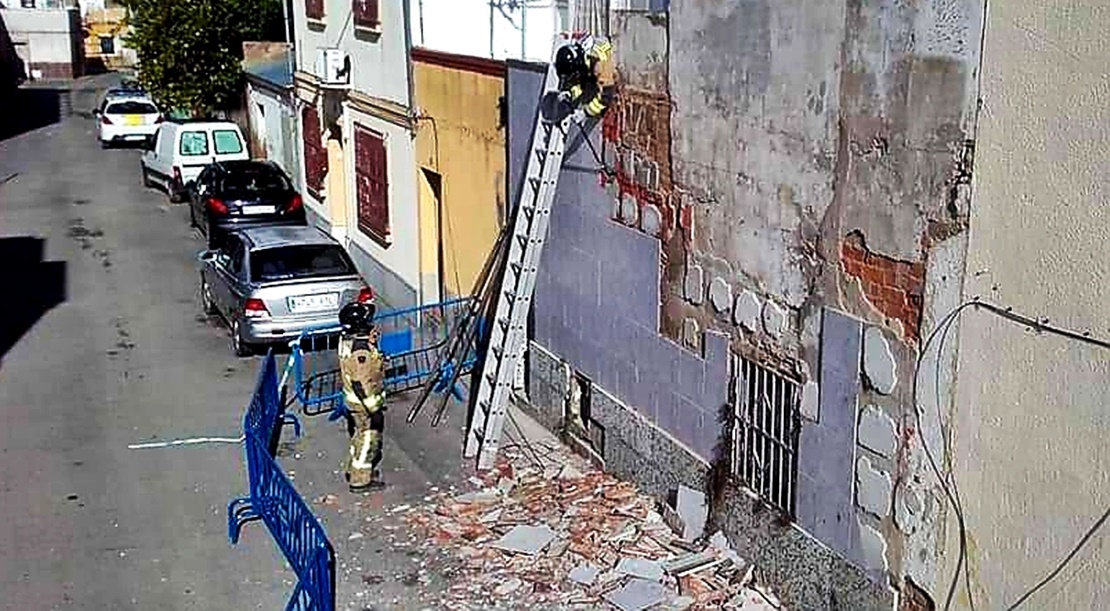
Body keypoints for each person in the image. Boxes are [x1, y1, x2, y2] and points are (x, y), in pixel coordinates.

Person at [337, 301, 386, 492]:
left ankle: (355, 470)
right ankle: (360, 480)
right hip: (363, 405)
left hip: (353, 403)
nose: (371, 323)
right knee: (367, 440)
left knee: (357, 437)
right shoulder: (360, 350)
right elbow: (361, 382)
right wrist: (374, 409)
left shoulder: (347, 340)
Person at [554, 35, 616, 118]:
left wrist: (585, 112)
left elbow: (606, 96)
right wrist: (570, 94)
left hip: (614, 68)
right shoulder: (583, 58)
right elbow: (582, 84)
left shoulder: (598, 64)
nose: (575, 80)